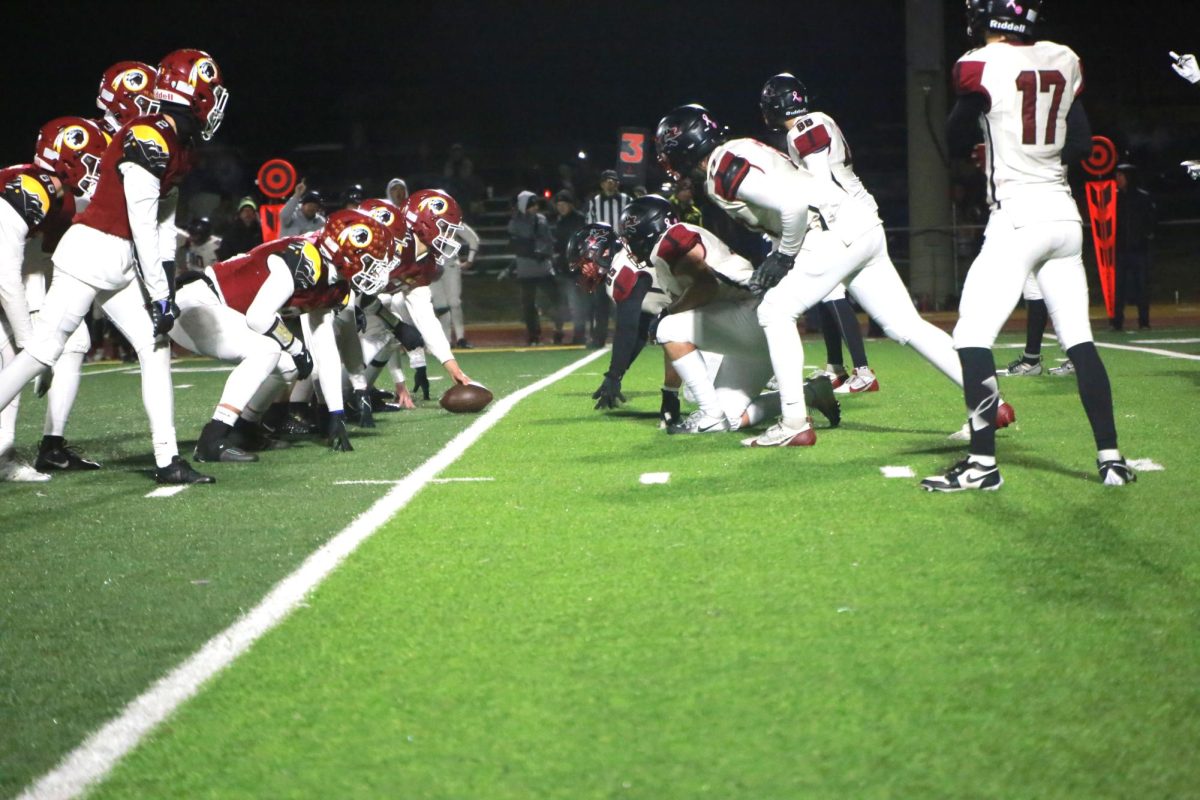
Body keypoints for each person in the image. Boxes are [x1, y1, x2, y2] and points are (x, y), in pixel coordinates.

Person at [654, 104, 1007, 447]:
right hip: (858, 223)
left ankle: (794, 422)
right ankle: (989, 402)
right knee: (907, 325)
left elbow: (791, 204)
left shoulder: (721, 168)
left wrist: (784, 257)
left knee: (774, 312)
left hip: (828, 232)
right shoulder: (739, 148)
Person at [922, 0, 1134, 491]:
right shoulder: (1062, 58)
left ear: (984, 19)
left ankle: (981, 465)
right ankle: (1112, 460)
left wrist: (987, 141)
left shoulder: (983, 63)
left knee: (971, 339)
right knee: (1080, 342)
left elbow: (955, 133)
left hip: (1016, 217)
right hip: (1064, 214)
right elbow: (1079, 142)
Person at [0, 49, 229, 485]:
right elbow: (141, 220)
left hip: (118, 259)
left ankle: (167, 459)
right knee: (42, 351)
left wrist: (164, 283)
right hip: (93, 251)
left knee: (154, 345)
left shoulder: (178, 144)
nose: (215, 101)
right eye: (210, 91)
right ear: (194, 92)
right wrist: (160, 293)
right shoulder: (148, 135)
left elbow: (162, 224)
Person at [621, 195, 841, 435]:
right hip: (753, 332)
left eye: (631, 236)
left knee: (667, 327)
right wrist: (669, 392)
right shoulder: (669, 248)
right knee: (731, 419)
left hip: (755, 317)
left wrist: (667, 314)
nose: (630, 244)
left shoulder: (670, 242)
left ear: (647, 228)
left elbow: (705, 286)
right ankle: (811, 392)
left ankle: (710, 414)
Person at [760, 72, 879, 394]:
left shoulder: (806, 126)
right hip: (844, 209)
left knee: (833, 291)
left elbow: (820, 181)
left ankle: (863, 371)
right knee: (825, 289)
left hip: (843, 213)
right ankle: (836, 367)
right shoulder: (811, 122)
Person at [0, 118, 105, 481]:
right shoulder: (31, 187)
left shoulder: (47, 189)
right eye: (92, 159)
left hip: (16, 275)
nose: (97, 169)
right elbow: (7, 278)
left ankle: (3, 456)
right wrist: (36, 351)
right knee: (17, 354)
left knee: (12, 357)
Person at [567, 221, 679, 424]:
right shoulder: (627, 258)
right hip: (708, 311)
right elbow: (640, 329)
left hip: (716, 314)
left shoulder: (622, 270)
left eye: (585, 261)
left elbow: (627, 329)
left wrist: (613, 375)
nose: (583, 270)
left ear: (601, 251)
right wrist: (616, 375)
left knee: (668, 330)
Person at [583, 169, 630, 346]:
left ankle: (624, 337)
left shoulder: (627, 200)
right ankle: (598, 338)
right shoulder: (594, 203)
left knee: (623, 299)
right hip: (601, 257)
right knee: (600, 300)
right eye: (607, 180)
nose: (610, 183)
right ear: (602, 184)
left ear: (618, 183)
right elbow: (589, 229)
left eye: (613, 180)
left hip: (623, 255)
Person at [508, 191, 560, 346]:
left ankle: (557, 329)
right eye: (531, 205)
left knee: (554, 299)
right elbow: (516, 244)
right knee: (529, 304)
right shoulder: (515, 222)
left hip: (542, 266)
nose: (534, 208)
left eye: (536, 205)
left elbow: (547, 241)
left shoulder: (540, 220)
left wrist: (542, 251)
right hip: (527, 268)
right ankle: (534, 334)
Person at [1111, 163, 1155, 331]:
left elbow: (1151, 220)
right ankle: (1116, 321)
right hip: (1121, 250)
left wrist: (1147, 234)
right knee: (1118, 287)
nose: (1118, 179)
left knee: (1142, 286)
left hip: (1139, 250)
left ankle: (1144, 321)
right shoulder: (1114, 198)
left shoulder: (1143, 198)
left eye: (1121, 176)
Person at [430, 220, 479, 348]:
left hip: (450, 265)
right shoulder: (423, 221)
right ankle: (446, 340)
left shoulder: (452, 220)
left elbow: (473, 239)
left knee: (454, 303)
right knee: (440, 305)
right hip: (432, 268)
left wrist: (470, 260)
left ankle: (460, 338)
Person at [551, 190, 588, 344]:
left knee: (576, 303)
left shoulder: (579, 220)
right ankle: (562, 332)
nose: (561, 208)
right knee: (564, 302)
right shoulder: (561, 221)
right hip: (564, 267)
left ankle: (579, 334)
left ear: (570, 205)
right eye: (559, 205)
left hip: (577, 268)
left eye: (564, 204)